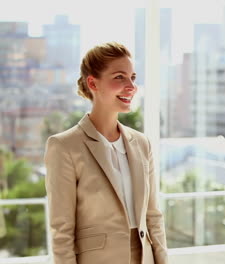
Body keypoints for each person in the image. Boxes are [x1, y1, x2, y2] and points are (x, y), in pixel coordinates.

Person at [44, 42, 168, 264]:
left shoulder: (141, 144)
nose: (131, 86)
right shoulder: (64, 146)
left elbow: (153, 216)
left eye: (133, 77)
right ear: (93, 83)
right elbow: (61, 231)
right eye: (120, 77)